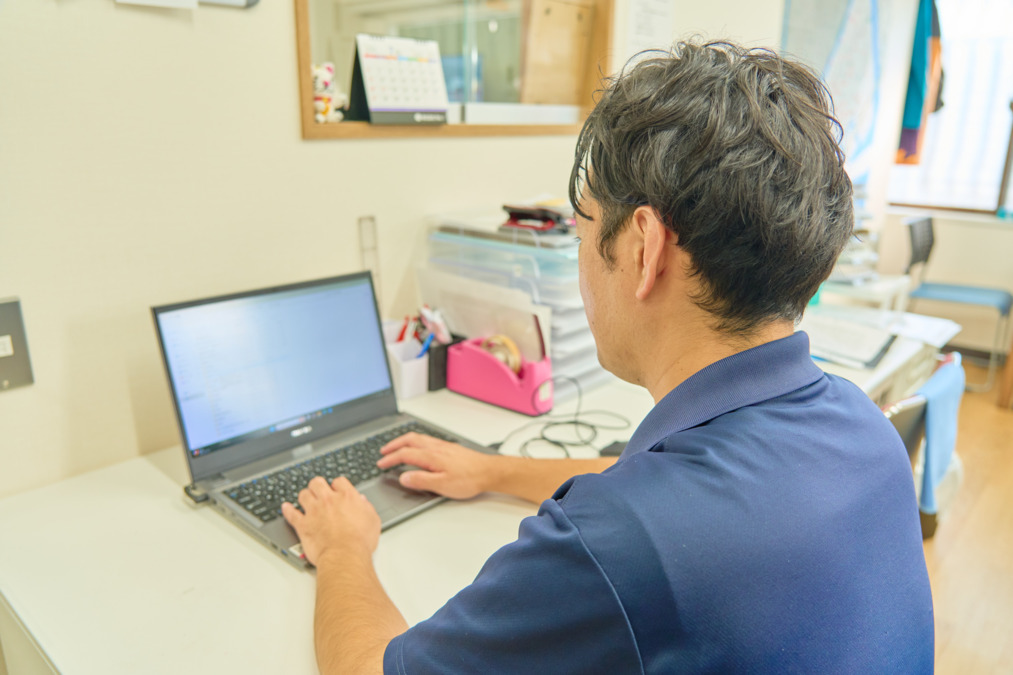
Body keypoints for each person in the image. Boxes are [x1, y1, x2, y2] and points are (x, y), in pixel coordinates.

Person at [282, 40, 934, 674]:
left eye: (582, 225)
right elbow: (655, 481)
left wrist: (344, 547)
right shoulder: (860, 425)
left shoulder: (616, 541)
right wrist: (492, 470)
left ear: (644, 247)